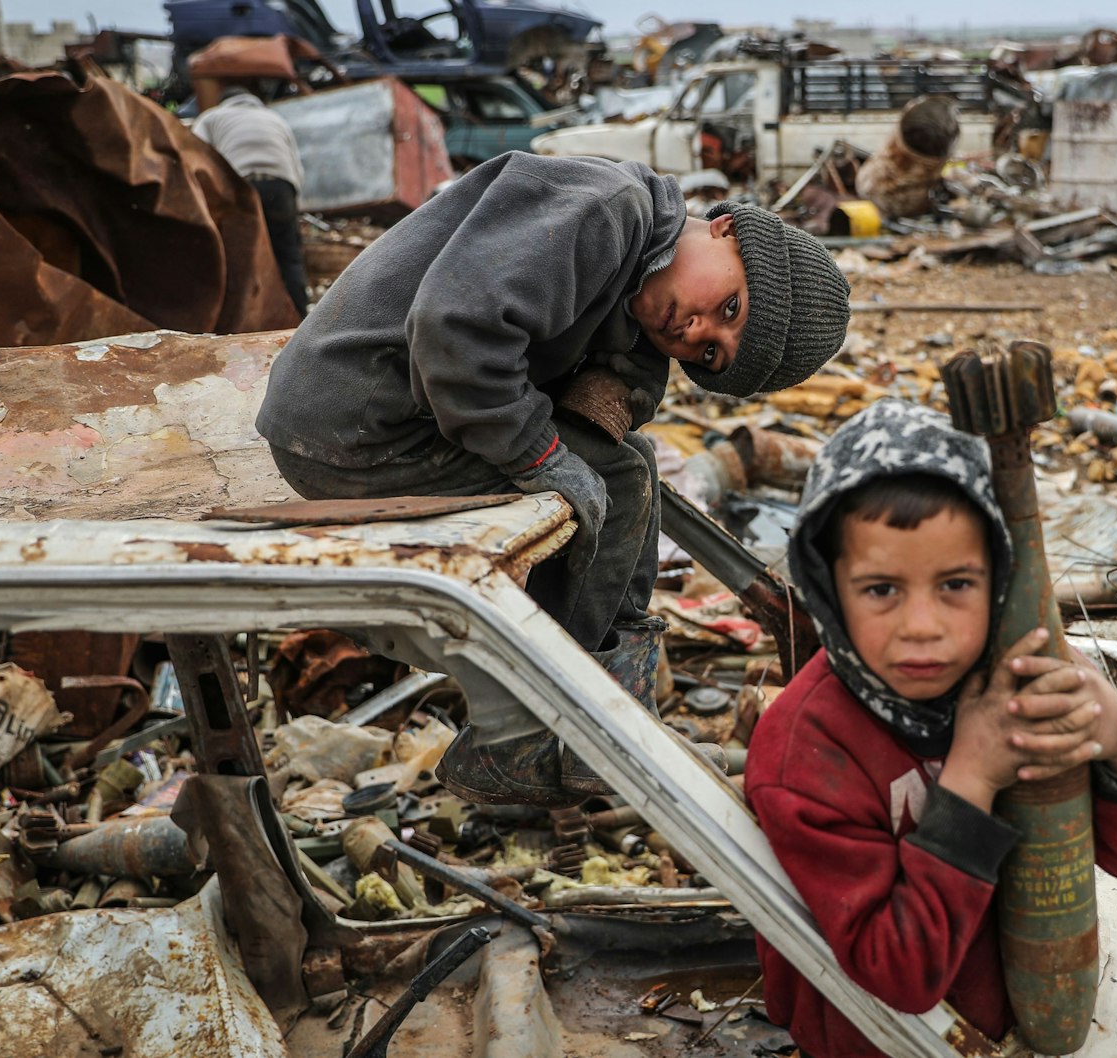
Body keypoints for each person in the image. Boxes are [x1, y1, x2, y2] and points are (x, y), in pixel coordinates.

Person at [257, 152, 850, 805]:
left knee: (629, 466)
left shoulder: (639, 257)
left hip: (387, 414)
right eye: (730, 307)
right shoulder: (608, 209)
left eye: (710, 353)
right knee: (617, 480)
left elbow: (622, 388)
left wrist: (610, 394)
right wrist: (539, 454)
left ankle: (598, 720)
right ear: (727, 229)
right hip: (352, 425)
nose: (697, 331)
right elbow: (456, 329)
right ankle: (524, 736)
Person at [745, 400, 1117, 1058]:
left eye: (955, 583)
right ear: (827, 588)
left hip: (1021, 1016)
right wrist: (972, 778)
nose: (922, 626)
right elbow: (897, 976)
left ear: (998, 579)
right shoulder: (806, 753)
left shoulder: (1019, 680)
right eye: (880, 590)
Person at [192, 85, 310, 314]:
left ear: (224, 102)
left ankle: (239, 320)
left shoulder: (212, 117)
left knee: (239, 256)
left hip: (243, 186)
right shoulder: (275, 118)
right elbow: (297, 168)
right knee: (289, 257)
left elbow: (195, 155)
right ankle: (301, 318)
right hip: (282, 186)